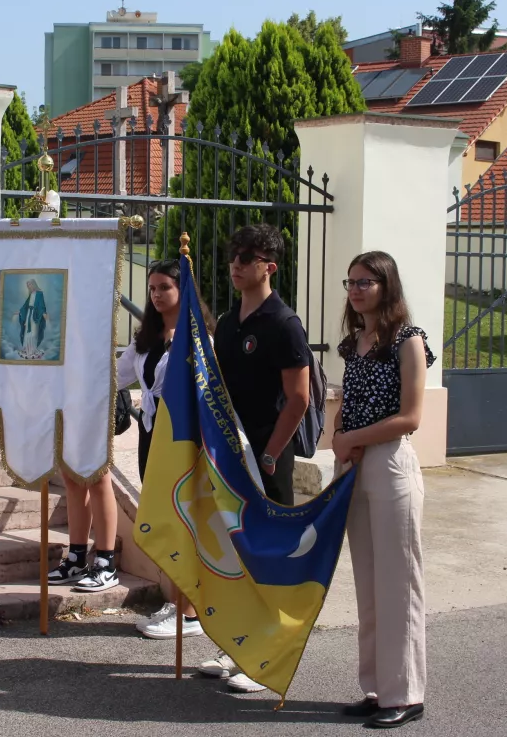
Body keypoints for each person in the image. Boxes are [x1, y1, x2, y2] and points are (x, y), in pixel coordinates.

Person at [198, 223, 312, 693]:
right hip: (230, 455)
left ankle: (268, 658)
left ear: (270, 266)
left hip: (267, 456)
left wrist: (268, 456)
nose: (237, 264)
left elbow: (299, 399)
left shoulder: (283, 324)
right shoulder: (227, 323)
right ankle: (239, 646)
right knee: (236, 552)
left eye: (248, 256)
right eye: (233, 255)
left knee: (269, 555)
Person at [331, 251, 431, 729]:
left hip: (390, 463)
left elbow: (411, 417)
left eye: (365, 281)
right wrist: (338, 433)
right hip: (353, 467)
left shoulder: (408, 340)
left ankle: (406, 692)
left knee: (398, 583)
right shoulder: (354, 344)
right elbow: (348, 404)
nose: (356, 289)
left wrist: (353, 438)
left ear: (386, 286)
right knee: (368, 586)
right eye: (351, 281)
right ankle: (376, 688)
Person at [118, 260, 217, 639]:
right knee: (164, 518)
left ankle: (190, 613)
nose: (157, 295)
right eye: (153, 289)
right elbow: (119, 373)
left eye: (165, 288)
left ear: (183, 291)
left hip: (181, 439)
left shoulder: (198, 338)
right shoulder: (148, 336)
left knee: (183, 522)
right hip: (150, 434)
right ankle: (177, 603)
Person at [17, 278, 47, 359]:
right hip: (28, 315)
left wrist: (44, 313)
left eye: (29, 285)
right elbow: (25, 305)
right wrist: (19, 311)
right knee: (27, 332)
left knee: (34, 333)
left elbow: (42, 304)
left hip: (35, 315)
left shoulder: (39, 294)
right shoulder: (31, 294)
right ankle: (27, 349)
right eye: (27, 285)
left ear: (33, 284)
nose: (28, 287)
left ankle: (33, 350)